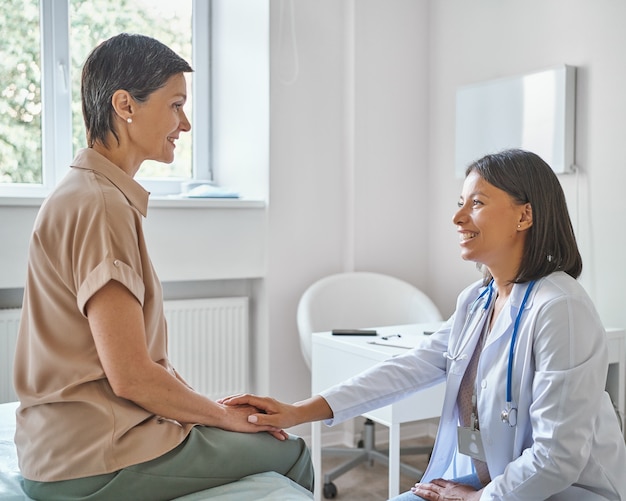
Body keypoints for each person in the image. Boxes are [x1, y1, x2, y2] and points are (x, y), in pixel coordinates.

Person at [221, 149, 626, 500]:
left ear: (525, 216)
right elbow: (410, 368)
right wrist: (297, 412)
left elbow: (558, 458)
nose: (457, 217)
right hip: (502, 481)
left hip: (563, 491)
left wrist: (479, 498)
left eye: (477, 203)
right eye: (460, 202)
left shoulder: (560, 308)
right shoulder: (478, 300)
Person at [13, 33, 313, 501]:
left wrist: (203, 408)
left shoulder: (86, 193)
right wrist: (223, 417)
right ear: (125, 105)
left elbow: (133, 364)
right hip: (94, 458)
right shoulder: (100, 206)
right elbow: (131, 375)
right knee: (291, 452)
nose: (185, 123)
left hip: (61, 449)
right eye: (175, 105)